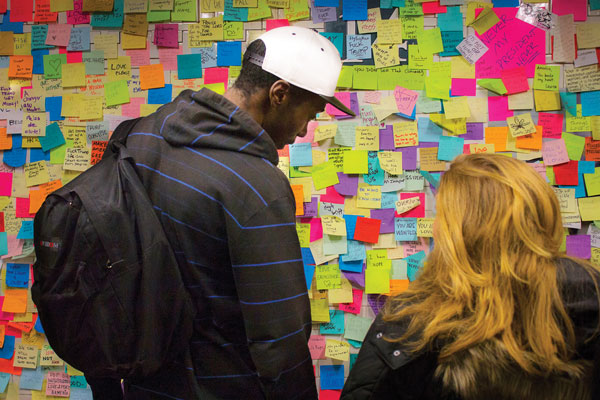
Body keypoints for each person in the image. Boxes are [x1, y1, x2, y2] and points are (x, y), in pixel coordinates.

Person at [113, 26, 354, 399]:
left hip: (144, 382)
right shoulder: (257, 187)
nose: (306, 131)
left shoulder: (143, 134)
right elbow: (279, 336)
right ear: (279, 94)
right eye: (310, 113)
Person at [341, 154, 600, 400]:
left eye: (440, 217)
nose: (434, 227)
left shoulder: (408, 324)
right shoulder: (590, 299)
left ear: (456, 234)